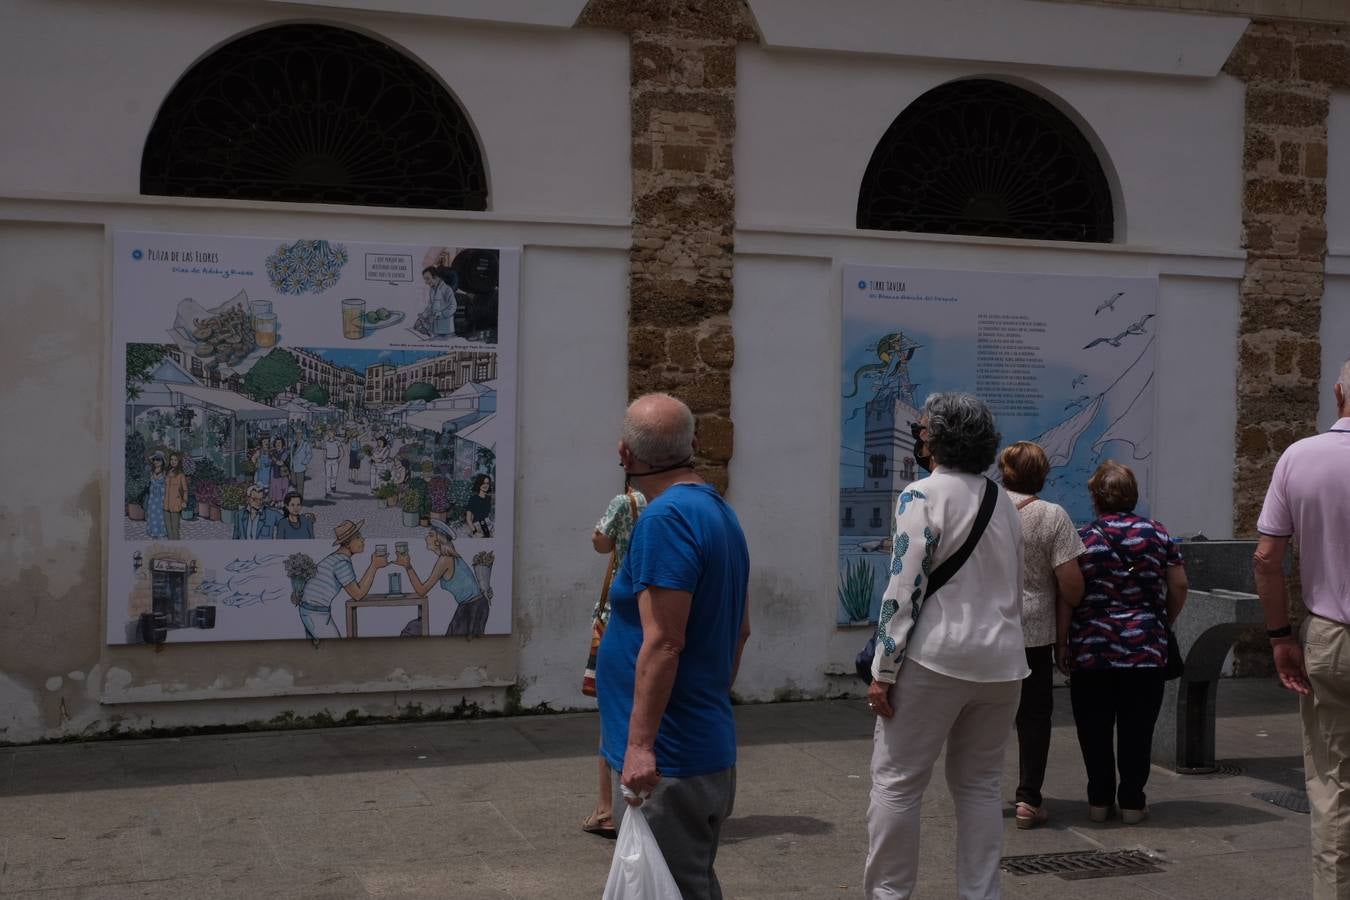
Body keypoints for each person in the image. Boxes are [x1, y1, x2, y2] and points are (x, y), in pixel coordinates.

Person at [865, 392, 1026, 900]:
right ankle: (981, 894)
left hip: (935, 657)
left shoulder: (921, 495)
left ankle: (890, 895)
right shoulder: (1006, 502)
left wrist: (883, 668)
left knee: (897, 783)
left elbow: (902, 586)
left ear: (934, 438)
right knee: (980, 786)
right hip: (1001, 661)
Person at [596, 393, 750, 900]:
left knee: (675, 887)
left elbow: (663, 642)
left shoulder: (665, 521)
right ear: (695, 444)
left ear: (625, 455)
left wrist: (640, 746)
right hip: (698, 738)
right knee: (689, 884)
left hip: (669, 758)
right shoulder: (718, 512)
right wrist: (708, 694)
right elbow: (741, 629)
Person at [1253, 357, 1350, 899]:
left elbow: (1268, 559)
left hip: (1333, 635)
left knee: (1337, 784)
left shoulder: (1299, 457)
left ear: (1338, 395)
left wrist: (1280, 636)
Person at [1066, 461, 1187, 825]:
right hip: (1145, 647)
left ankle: (1099, 802)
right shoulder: (1158, 533)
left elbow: (1070, 589)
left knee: (1094, 727)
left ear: (1096, 497)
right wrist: (1162, 620)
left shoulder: (1083, 537)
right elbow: (1179, 584)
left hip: (1092, 647)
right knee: (1137, 728)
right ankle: (1133, 802)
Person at [998, 441, 1085, 829]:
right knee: (1034, 717)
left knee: (980, 712)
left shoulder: (985, 510)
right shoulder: (1053, 516)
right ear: (1043, 474)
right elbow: (1072, 585)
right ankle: (1029, 800)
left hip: (986, 628)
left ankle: (976, 793)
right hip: (1033, 633)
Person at [581, 484, 648, 839]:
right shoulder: (675, 504)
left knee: (611, 712)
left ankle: (607, 807)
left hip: (619, 619)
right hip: (657, 616)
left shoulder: (627, 502)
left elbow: (600, 542)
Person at [396, 519, 491, 636]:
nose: (426, 538)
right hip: (472, 606)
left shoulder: (445, 559)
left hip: (473, 608)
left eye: (430, 535)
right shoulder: (448, 557)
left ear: (438, 541)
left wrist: (408, 566)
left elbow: (422, 590)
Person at [297, 519, 388, 639]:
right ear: (347, 543)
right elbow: (358, 594)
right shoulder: (342, 562)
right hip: (316, 613)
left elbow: (356, 590)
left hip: (309, 610)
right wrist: (374, 566)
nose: (363, 540)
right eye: (358, 537)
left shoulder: (336, 558)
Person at [416, 265, 458, 338]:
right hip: (434, 329)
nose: (426, 282)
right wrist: (422, 316)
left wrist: (439, 315)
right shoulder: (432, 290)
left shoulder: (447, 289)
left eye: (427, 279)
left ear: (435, 277)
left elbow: (453, 307)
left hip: (446, 330)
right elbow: (430, 306)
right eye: (425, 279)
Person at [164, 452, 189, 541]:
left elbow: (185, 490)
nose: (173, 461)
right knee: (168, 528)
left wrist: (184, 501)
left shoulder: (181, 475)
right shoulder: (167, 473)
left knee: (175, 528)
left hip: (175, 504)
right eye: (171, 459)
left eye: (175, 460)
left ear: (179, 461)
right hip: (166, 504)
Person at [144, 452, 169, 539]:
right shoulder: (152, 471)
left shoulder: (165, 473)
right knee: (152, 514)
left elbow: (167, 485)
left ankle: (162, 531)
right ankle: (153, 531)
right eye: (154, 460)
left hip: (161, 497)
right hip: (153, 497)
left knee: (161, 515)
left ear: (162, 461)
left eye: (158, 459)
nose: (156, 461)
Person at [466, 473, 493, 538]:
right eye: (483, 483)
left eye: (487, 483)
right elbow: (468, 518)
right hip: (477, 528)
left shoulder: (489, 498)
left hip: (488, 527)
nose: (485, 485)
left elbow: (489, 515)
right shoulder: (473, 499)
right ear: (479, 484)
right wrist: (474, 531)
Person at [291, 431, 312, 499]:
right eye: (296, 434)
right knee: (294, 483)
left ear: (302, 435)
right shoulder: (293, 443)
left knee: (300, 485)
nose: (298, 435)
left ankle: (299, 498)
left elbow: (309, 454)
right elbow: (291, 454)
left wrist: (304, 462)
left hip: (300, 467)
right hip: (293, 466)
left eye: (299, 434)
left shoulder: (305, 444)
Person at [269, 437, 290, 503]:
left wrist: (273, 458)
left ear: (282, 444)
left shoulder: (285, 452)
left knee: (283, 488)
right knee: (275, 488)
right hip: (275, 473)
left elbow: (281, 463)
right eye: (276, 443)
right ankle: (275, 500)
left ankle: (282, 502)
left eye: (279, 442)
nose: (278, 444)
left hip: (283, 474)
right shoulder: (274, 452)